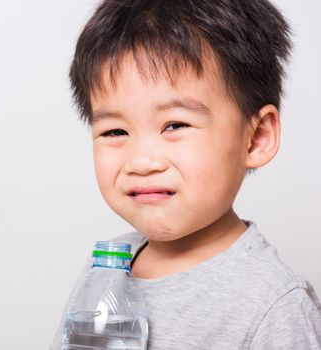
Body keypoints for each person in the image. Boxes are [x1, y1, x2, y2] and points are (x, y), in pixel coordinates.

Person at [50, 0, 321, 349]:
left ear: (256, 138)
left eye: (175, 124)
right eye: (115, 131)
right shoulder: (107, 268)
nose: (142, 161)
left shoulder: (273, 304)